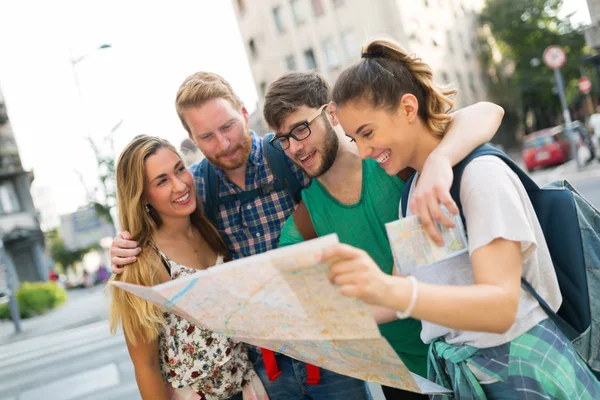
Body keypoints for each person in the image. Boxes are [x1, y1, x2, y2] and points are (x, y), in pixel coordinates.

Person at [323, 37, 600, 399]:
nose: (361, 152)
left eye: (367, 133)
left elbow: (502, 307)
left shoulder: (479, 175)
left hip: (525, 378)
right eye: (352, 139)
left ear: (408, 108)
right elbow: (394, 292)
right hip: (476, 381)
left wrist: (392, 291)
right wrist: (320, 322)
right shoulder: (411, 195)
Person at [111, 73, 373, 400]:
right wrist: (124, 243)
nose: (223, 143)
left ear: (244, 112)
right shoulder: (196, 187)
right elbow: (154, 209)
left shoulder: (291, 156)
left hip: (330, 350)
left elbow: (353, 164)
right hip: (264, 367)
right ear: (191, 137)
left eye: (228, 126)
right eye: (206, 136)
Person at [264, 71, 503, 399]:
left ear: (331, 113)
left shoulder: (390, 158)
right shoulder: (307, 216)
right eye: (283, 139)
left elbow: (487, 111)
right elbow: (279, 278)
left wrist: (439, 161)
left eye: (301, 129)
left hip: (470, 350)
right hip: (406, 379)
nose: (294, 147)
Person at [108, 135, 266, 400]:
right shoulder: (141, 263)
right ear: (143, 196)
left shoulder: (210, 229)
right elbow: (145, 367)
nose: (180, 185)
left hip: (249, 388)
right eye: (161, 181)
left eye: (180, 169)